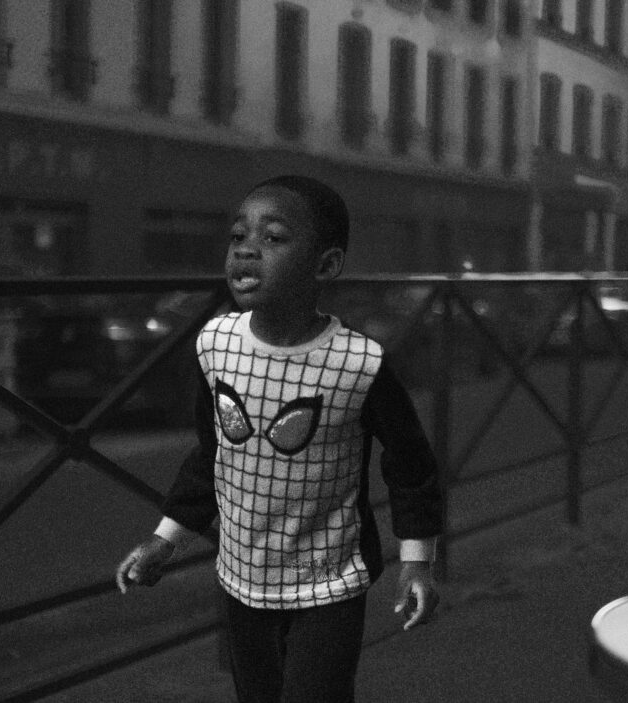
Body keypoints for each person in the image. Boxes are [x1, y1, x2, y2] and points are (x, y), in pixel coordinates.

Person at [115, 175, 443, 702]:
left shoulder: (358, 364)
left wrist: (417, 562)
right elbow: (214, 452)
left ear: (325, 265)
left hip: (330, 584)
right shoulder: (215, 344)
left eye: (273, 238)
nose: (246, 249)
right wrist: (165, 538)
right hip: (240, 581)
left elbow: (411, 465)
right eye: (238, 235)